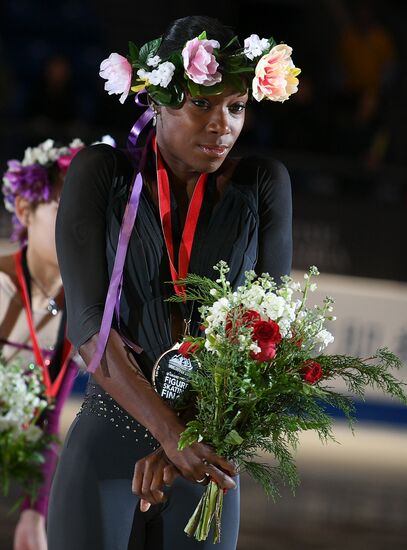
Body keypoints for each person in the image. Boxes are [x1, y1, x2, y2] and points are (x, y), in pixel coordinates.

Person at [47, 15, 299, 549]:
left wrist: (189, 437)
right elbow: (89, 327)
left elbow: (268, 340)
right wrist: (169, 431)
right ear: (156, 102)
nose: (221, 124)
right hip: (110, 443)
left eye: (236, 107)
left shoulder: (263, 185)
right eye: (202, 104)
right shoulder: (102, 174)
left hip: (203, 456)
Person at [0, 138, 84, 550]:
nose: (76, 226)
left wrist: (35, 512)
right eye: (61, 209)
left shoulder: (78, 307)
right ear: (23, 210)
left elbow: (49, 421)